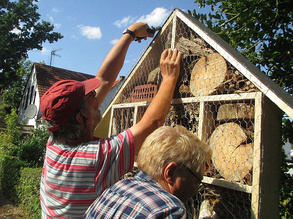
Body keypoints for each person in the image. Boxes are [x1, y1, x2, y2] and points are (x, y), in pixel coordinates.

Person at [40, 22, 183, 218]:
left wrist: (130, 34)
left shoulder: (55, 142)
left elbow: (104, 79)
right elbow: (153, 123)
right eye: (90, 97)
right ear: (82, 117)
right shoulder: (94, 158)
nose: (95, 95)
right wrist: (168, 78)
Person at [82, 125, 212, 218]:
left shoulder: (114, 190)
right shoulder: (170, 210)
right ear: (171, 172)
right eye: (196, 180)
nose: (196, 190)